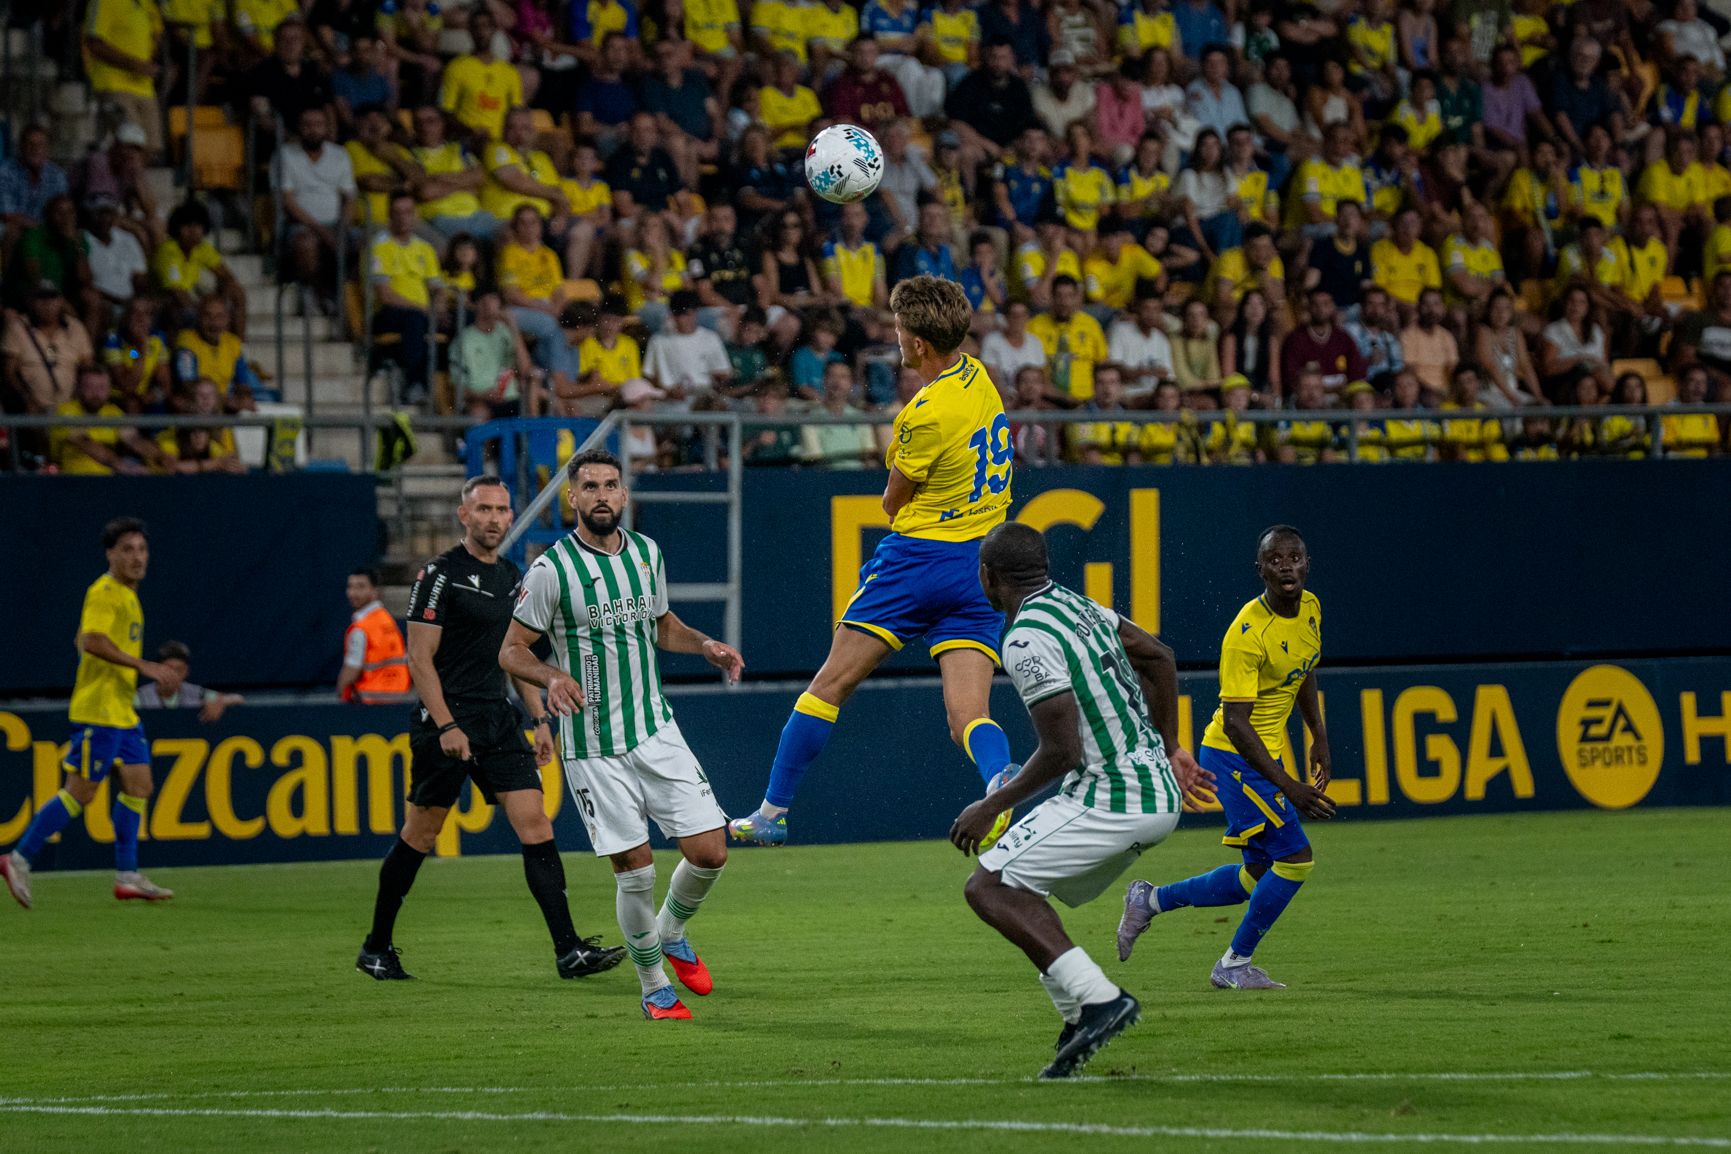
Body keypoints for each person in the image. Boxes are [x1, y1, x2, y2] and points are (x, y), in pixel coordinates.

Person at [728, 276, 1017, 846]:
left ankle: (771, 814)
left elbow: (892, 500)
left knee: (828, 685)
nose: (896, 337)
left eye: (901, 330)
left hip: (919, 561)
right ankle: (1000, 781)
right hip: (983, 566)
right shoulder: (979, 375)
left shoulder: (922, 412)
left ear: (918, 346)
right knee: (968, 716)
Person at [950, 521, 1210, 1078]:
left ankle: (1100, 1001)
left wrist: (991, 805)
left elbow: (1062, 749)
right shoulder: (1081, 607)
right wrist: (1172, 746)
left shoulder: (1024, 638)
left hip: (1115, 794)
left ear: (988, 577)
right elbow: (1160, 658)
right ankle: (1076, 1018)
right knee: (1020, 886)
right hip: (1152, 789)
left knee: (988, 886)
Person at [502, 449, 746, 1020]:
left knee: (710, 851)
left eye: (612, 485)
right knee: (636, 870)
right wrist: (552, 674)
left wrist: (705, 644)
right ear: (573, 498)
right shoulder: (550, 571)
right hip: (594, 746)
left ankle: (671, 929)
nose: (602, 496)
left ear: (625, 494)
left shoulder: (646, 554)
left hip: (655, 728)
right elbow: (511, 650)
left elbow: (663, 625)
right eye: (590, 487)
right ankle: (653, 984)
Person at [356, 476, 625, 983]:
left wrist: (539, 717)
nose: (494, 518)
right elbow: (419, 659)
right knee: (422, 832)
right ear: (464, 516)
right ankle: (376, 947)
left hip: (497, 719)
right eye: (483, 509)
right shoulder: (439, 574)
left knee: (536, 824)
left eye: (502, 510)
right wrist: (446, 725)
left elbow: (514, 658)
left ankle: (569, 950)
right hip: (449, 721)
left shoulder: (511, 575)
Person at [1118, 525, 1335, 989]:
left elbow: (1305, 671)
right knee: (1296, 859)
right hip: (1233, 756)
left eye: (1294, 557)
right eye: (1274, 560)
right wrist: (1288, 785)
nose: (1286, 567)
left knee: (1255, 875)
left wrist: (1318, 734)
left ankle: (1150, 899)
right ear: (1260, 570)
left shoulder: (1312, 608)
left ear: (1307, 563)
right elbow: (1237, 722)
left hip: (1262, 754)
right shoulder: (1246, 633)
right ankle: (1234, 963)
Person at [2, 519, 182, 909]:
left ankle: (127, 875)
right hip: (99, 710)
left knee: (139, 785)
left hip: (121, 710)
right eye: (128, 550)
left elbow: (82, 639)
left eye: (142, 549)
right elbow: (92, 640)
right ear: (110, 555)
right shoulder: (105, 591)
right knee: (81, 792)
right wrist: (146, 667)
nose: (137, 557)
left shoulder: (127, 596)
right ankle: (18, 858)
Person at [368, 191, 442, 403]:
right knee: (415, 320)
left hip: (421, 313)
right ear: (389, 215)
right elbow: (385, 295)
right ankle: (413, 384)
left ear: (415, 215)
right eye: (397, 213)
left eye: (408, 212)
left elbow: (437, 288)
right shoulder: (380, 245)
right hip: (386, 315)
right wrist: (422, 308)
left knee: (460, 319)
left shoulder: (425, 248)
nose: (403, 218)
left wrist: (440, 305)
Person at [338, 568, 413, 705]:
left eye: (360, 586)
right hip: (398, 698)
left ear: (375, 591)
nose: (353, 593)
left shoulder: (361, 628)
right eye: (350, 587)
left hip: (370, 702)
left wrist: (340, 692)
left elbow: (352, 670)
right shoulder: (387, 620)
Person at [136, 641, 244, 720]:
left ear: (186, 672)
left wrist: (219, 702)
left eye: (179, 670)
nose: (173, 674)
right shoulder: (140, 696)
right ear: (157, 669)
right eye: (168, 668)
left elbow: (238, 699)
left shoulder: (197, 693)